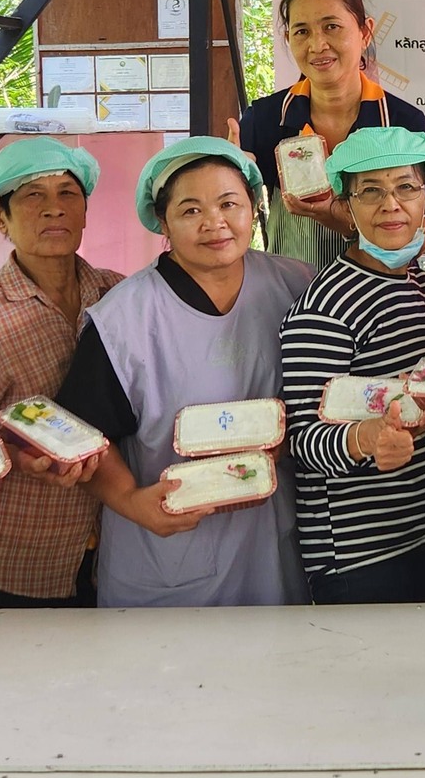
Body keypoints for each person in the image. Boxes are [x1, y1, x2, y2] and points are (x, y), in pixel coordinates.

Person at [59, 137, 311, 607]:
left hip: (271, 541)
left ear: (254, 208)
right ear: (163, 222)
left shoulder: (297, 285)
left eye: (229, 203)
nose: (214, 223)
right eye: (191, 210)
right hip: (169, 545)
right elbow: (86, 436)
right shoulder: (124, 319)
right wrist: (133, 501)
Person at [0, 139, 122, 614]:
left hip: (110, 549)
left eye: (67, 194)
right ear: (1, 218)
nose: (54, 209)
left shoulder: (118, 295)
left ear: (84, 212)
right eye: (33, 195)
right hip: (13, 554)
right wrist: (15, 452)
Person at [280, 127, 425, 604]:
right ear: (347, 203)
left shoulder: (420, 286)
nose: (391, 205)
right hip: (357, 556)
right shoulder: (325, 307)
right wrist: (367, 438)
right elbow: (301, 441)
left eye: (406, 187)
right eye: (371, 191)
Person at [242, 0, 425, 270]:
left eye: (332, 26)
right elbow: (235, 218)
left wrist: (333, 215)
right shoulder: (265, 119)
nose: (317, 45)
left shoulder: (402, 122)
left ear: (365, 32)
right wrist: (230, 176)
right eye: (302, 31)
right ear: (288, 39)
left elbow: (419, 238)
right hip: (290, 297)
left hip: (379, 293)